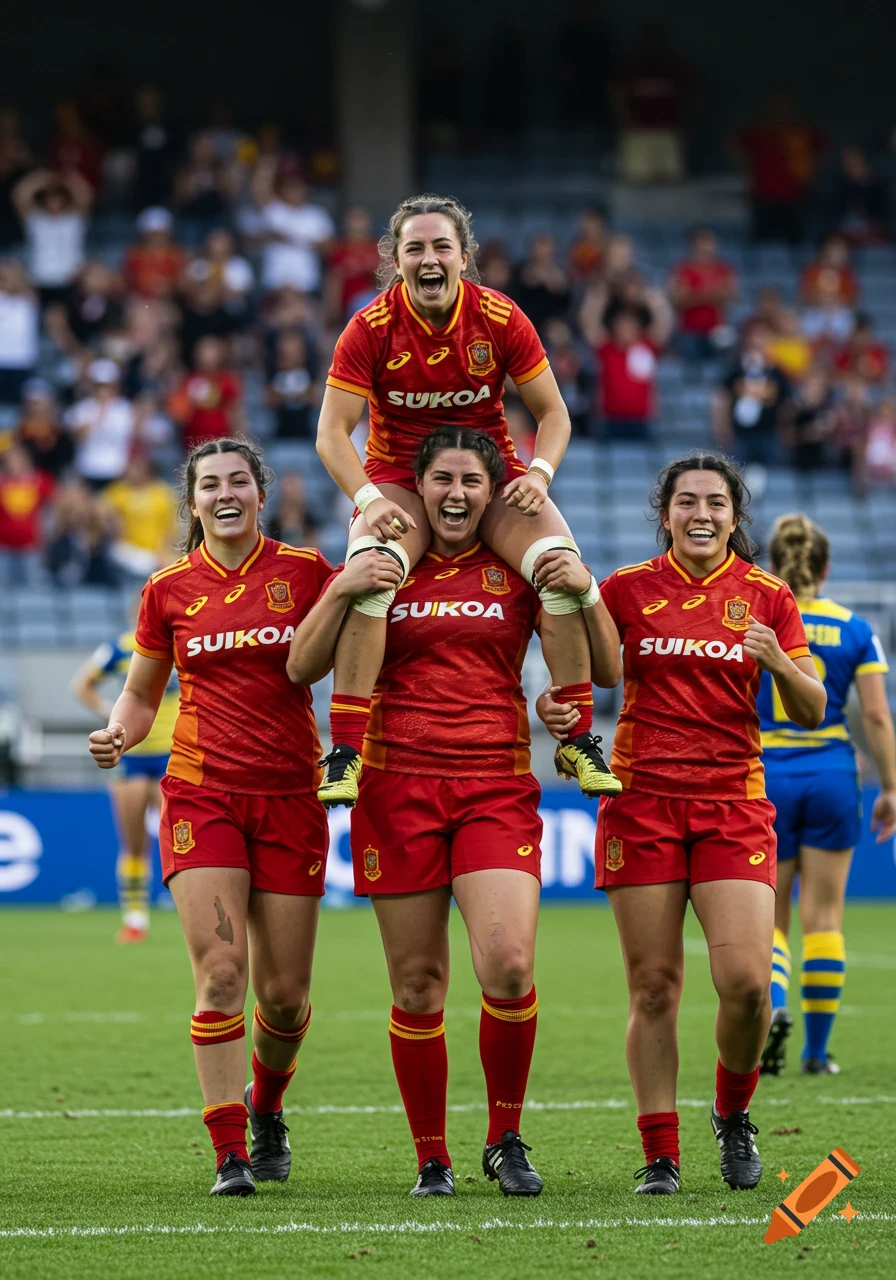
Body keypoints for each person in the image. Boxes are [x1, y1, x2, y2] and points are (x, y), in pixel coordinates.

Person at [287, 427, 622, 1197]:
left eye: (472, 480)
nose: (457, 494)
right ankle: (431, 1156)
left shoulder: (515, 569)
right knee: (418, 986)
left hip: (492, 786)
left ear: (492, 491)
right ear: (420, 487)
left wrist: (586, 586)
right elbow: (303, 667)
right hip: (394, 788)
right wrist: (342, 583)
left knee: (507, 966)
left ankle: (505, 1138)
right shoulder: (381, 568)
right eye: (442, 479)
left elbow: (605, 668)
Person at [537, 452, 825, 1195]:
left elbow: (813, 708)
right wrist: (558, 714)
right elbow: (593, 673)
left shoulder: (767, 598)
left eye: (717, 503)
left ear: (737, 516)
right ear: (664, 513)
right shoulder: (627, 590)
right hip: (643, 803)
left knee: (747, 985)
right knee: (656, 988)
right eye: (687, 502)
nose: (702, 514)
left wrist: (783, 665)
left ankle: (732, 1114)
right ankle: (660, 1153)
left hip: (732, 804)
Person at [87, 437, 334, 1196]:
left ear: (260, 493)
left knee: (284, 997)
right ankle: (230, 1150)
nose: (224, 494)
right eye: (209, 485)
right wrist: (120, 730)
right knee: (222, 973)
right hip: (201, 792)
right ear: (191, 503)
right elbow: (140, 690)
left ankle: (268, 1107)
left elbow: (345, 661)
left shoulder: (308, 573)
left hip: (292, 795)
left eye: (238, 481)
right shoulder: (167, 588)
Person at [316, 193, 620, 808]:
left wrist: (538, 472)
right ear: (395, 261)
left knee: (560, 566)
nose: (429, 258)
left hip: (491, 474)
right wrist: (369, 500)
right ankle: (345, 750)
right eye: (415, 249)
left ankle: (578, 737)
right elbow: (330, 433)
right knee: (370, 573)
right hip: (401, 475)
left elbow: (555, 414)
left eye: (441, 247)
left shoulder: (501, 317)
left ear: (464, 256)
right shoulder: (370, 327)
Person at [758, 514, 896, 1078]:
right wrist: (889, 785)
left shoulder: (757, 624)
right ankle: (816, 1053)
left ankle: (771, 1015)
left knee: (771, 919)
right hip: (834, 774)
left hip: (764, 773)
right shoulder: (856, 629)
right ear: (827, 568)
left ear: (773, 564)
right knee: (825, 918)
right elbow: (877, 716)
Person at [73, 624, 179, 943]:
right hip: (130, 754)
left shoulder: (185, 641)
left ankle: (189, 909)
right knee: (134, 842)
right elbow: (83, 685)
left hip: (172, 753)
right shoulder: (120, 648)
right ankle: (135, 918)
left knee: (181, 838)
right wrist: (109, 712)